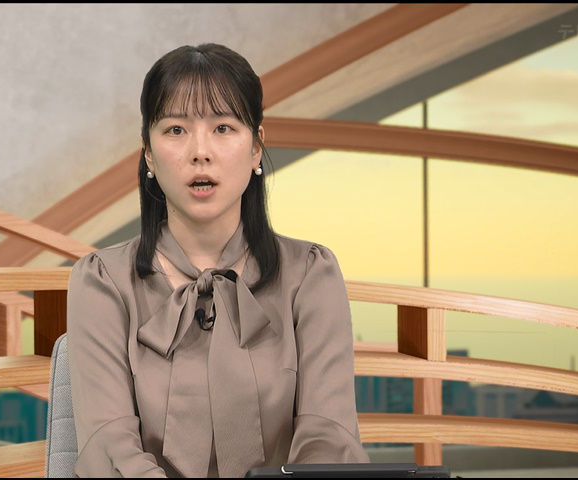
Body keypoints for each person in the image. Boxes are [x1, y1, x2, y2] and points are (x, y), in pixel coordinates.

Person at [65, 43, 369, 478]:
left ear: (256, 147)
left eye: (223, 127)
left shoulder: (310, 275)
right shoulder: (101, 282)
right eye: (175, 130)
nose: (200, 152)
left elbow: (328, 439)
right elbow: (108, 445)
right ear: (148, 153)